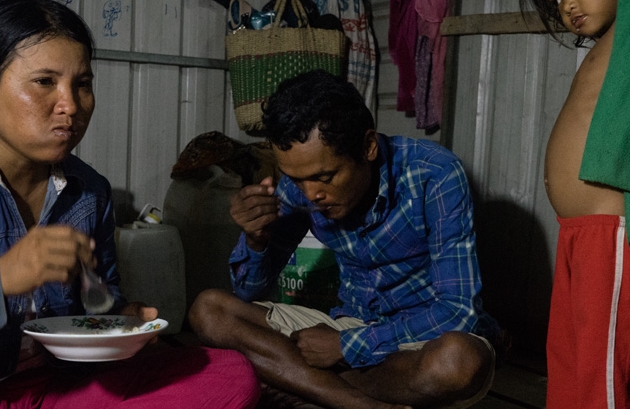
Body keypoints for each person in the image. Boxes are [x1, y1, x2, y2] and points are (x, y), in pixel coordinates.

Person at [0, 0, 260, 409]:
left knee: (228, 373)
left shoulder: (88, 191)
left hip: (46, 387)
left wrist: (123, 320)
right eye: (45, 82)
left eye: (82, 84)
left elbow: (96, 305)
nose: (71, 106)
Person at [188, 69, 499, 409]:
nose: (311, 194)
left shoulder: (435, 174)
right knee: (209, 310)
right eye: (296, 178)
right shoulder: (301, 187)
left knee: (457, 364)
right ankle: (357, 401)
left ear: (367, 146)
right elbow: (248, 292)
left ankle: (305, 383)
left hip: (419, 339)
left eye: (325, 177)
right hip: (344, 325)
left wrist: (345, 347)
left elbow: (457, 311)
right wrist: (255, 239)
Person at [519, 0, 630, 409]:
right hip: (580, 234)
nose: (566, 5)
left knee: (602, 378)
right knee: (573, 368)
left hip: (611, 233)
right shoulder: (608, 43)